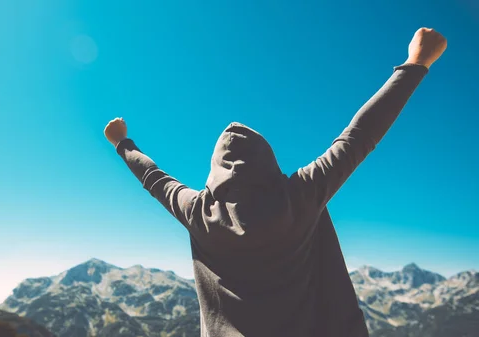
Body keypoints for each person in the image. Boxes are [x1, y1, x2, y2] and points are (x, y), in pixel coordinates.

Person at [104, 28, 447, 337]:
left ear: (214, 170)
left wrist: (122, 142)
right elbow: (358, 138)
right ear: (268, 161)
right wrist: (416, 63)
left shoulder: (198, 211)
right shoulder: (300, 194)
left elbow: (153, 178)